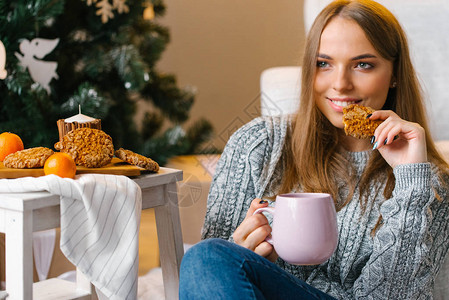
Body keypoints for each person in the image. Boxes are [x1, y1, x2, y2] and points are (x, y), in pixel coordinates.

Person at [179, 0, 449, 299]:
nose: (340, 84)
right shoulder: (258, 144)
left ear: (395, 73)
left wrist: (411, 179)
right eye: (323, 63)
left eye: (363, 65)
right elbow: (209, 277)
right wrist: (244, 253)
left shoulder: (428, 182)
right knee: (207, 255)